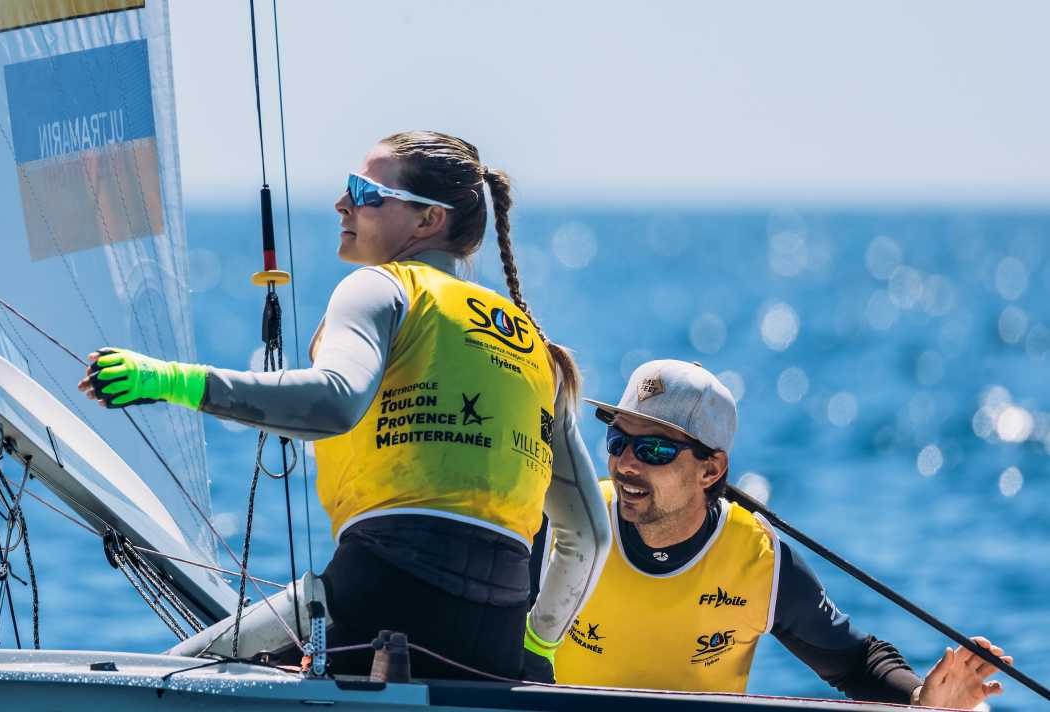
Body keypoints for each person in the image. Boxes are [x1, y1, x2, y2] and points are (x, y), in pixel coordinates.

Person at [78, 130, 610, 681]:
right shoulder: (537, 348)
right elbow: (589, 537)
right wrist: (536, 650)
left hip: (380, 596)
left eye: (365, 191)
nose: (342, 203)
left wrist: (173, 381)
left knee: (163, 679)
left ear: (428, 220)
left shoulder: (383, 288)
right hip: (493, 639)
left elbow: (334, 401)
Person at [547, 358, 1011, 707]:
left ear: (711, 470)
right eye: (617, 441)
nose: (625, 463)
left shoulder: (759, 560)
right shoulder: (564, 523)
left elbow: (856, 661)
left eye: (653, 449)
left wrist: (920, 699)